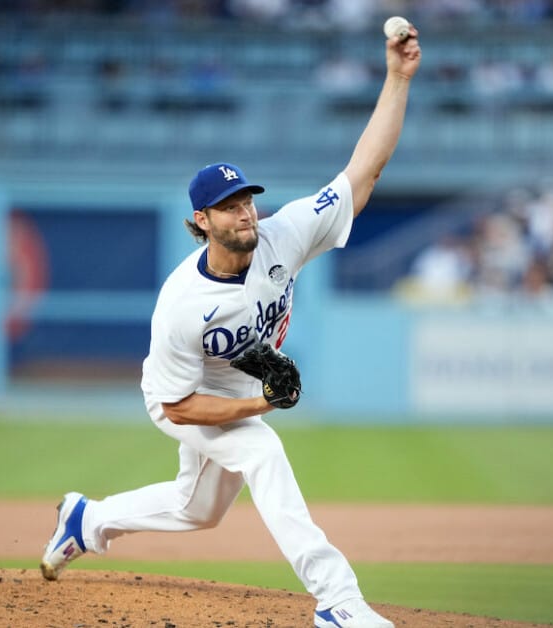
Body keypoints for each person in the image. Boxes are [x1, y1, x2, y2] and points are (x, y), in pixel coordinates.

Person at [40, 24, 422, 628]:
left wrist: (398, 78)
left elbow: (362, 173)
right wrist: (257, 409)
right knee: (263, 454)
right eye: (230, 206)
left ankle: (87, 519)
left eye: (247, 200)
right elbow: (181, 406)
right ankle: (337, 602)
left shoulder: (283, 234)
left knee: (198, 510)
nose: (246, 212)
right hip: (182, 397)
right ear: (201, 220)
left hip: (239, 385)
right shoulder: (181, 304)